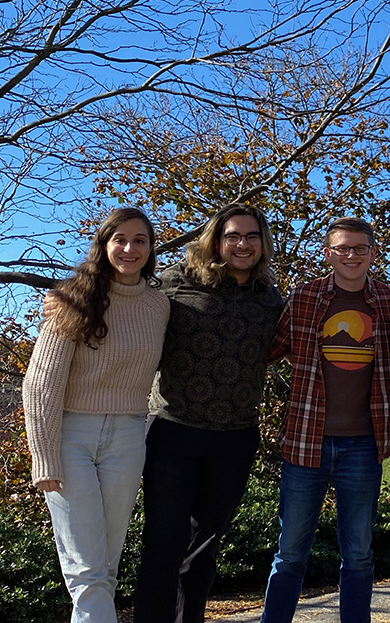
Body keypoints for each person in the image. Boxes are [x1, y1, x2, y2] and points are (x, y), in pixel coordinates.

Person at [134, 203, 284, 623]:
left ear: (262, 244)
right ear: (216, 240)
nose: (242, 244)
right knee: (164, 542)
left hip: (234, 438)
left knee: (203, 549)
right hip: (172, 431)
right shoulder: (175, 282)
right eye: (233, 236)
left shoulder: (270, 298)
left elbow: (280, 349)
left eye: (252, 237)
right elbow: (126, 305)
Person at [23, 208, 169, 623]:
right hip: (72, 435)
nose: (129, 248)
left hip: (127, 436)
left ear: (150, 248)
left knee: (106, 563)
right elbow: (40, 383)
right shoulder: (73, 298)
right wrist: (44, 454)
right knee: (86, 568)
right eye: (119, 239)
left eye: (139, 240)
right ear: (104, 245)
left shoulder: (160, 305)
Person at [259, 217, 390, 623]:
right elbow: (273, 348)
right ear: (328, 253)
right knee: (290, 553)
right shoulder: (305, 297)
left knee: (358, 554)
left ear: (373, 253)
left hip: (364, 444)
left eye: (360, 248)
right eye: (342, 248)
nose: (351, 256)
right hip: (307, 441)